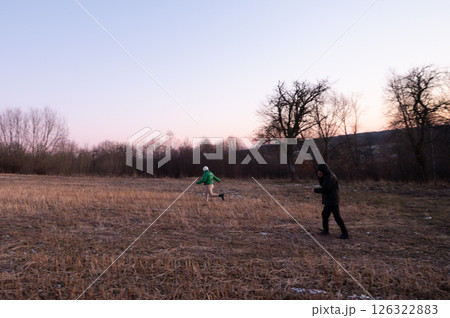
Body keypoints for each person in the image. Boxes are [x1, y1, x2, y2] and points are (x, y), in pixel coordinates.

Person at [312, 163, 349, 239]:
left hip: (332, 200)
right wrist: (320, 177)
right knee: (325, 214)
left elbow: (325, 189)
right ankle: (325, 230)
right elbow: (323, 185)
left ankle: (345, 234)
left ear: (323, 170)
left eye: (319, 170)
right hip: (329, 200)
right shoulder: (326, 176)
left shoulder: (331, 177)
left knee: (337, 217)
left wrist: (315, 190)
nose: (318, 172)